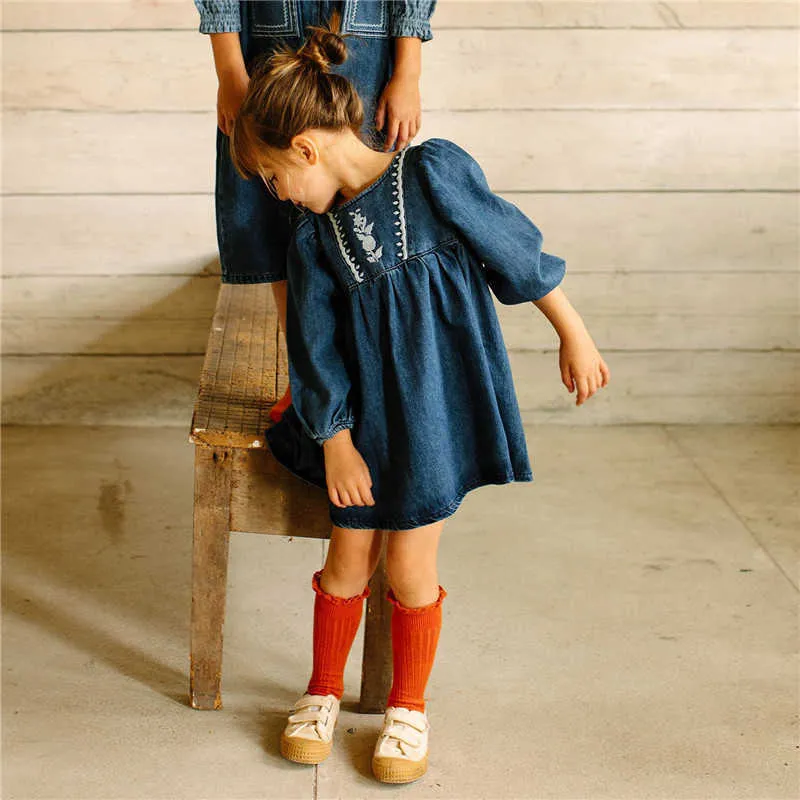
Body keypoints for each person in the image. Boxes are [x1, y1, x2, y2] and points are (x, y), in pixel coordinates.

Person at [228, 13, 611, 786]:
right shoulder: (314, 242)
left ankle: (408, 707)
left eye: (274, 178)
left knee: (408, 569)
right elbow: (317, 351)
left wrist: (574, 334)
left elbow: (517, 251)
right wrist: (333, 437)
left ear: (305, 147)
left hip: (436, 416)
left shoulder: (432, 174)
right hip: (365, 429)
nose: (280, 195)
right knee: (347, 560)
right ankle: (322, 691)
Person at [194, 0, 437, 421]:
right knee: (279, 219)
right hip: (266, 47)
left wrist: (408, 71)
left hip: (369, 47)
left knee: (364, 223)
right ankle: (307, 378)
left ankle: (370, 381)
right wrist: (229, 69)